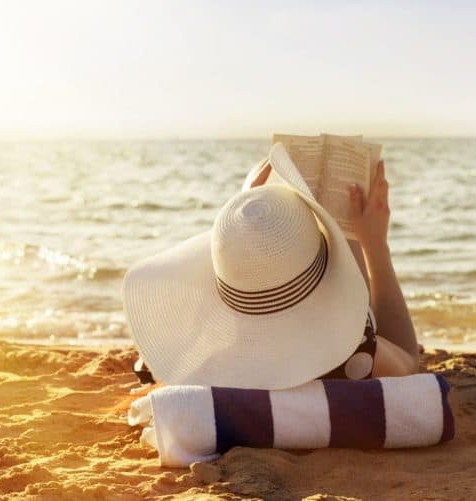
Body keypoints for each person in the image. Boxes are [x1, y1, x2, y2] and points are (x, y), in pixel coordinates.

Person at [122, 144, 418, 391]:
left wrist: (247, 213)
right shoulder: (356, 354)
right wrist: (375, 245)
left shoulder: (201, 361)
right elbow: (409, 364)